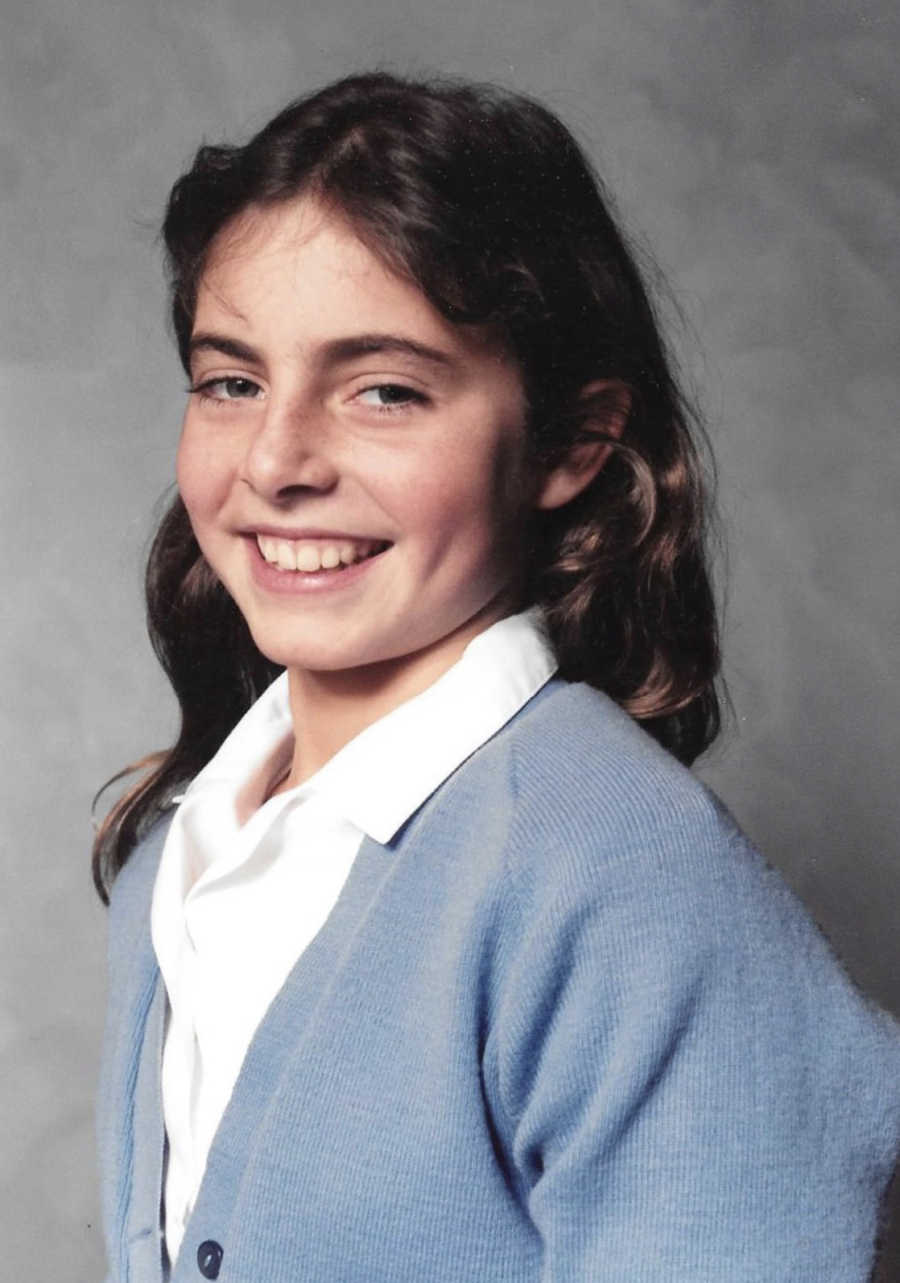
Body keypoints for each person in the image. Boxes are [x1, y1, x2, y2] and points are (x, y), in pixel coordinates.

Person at [93, 72, 900, 1283]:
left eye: (384, 391)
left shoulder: (624, 878)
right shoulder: (185, 847)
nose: (275, 458)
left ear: (574, 442)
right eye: (233, 380)